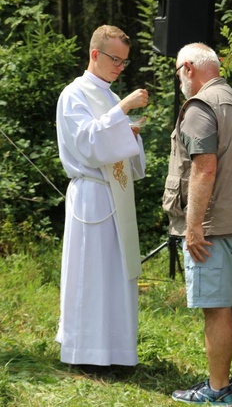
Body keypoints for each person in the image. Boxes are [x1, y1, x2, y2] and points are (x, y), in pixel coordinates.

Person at [164, 43, 232, 406]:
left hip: (214, 228)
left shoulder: (200, 106)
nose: (179, 81)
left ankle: (217, 388)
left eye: (178, 73)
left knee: (217, 309)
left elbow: (204, 167)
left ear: (188, 67)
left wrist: (193, 228)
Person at [55, 24, 148, 368]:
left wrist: (132, 134)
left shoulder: (108, 98)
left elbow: (122, 149)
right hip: (92, 195)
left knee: (116, 275)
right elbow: (87, 144)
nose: (119, 67)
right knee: (90, 273)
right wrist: (122, 110)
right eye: (115, 59)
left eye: (124, 62)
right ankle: (85, 354)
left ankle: (117, 353)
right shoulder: (74, 94)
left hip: (118, 194)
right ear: (95, 54)